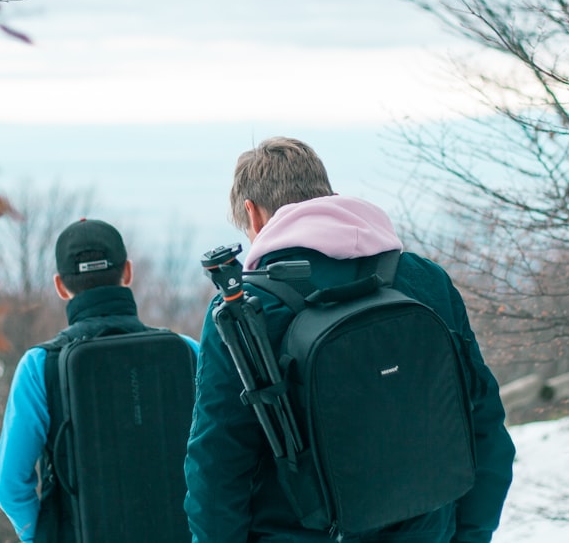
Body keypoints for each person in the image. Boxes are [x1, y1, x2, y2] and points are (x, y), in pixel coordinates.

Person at [184, 137, 515, 542]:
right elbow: (484, 425)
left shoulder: (243, 313)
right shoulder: (426, 281)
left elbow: (217, 464)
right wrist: (468, 534)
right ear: (327, 195)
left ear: (253, 215)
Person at [0, 218, 200, 543]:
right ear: (127, 272)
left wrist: (45, 534)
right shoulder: (187, 351)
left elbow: (9, 485)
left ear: (60, 286)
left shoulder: (39, 366)